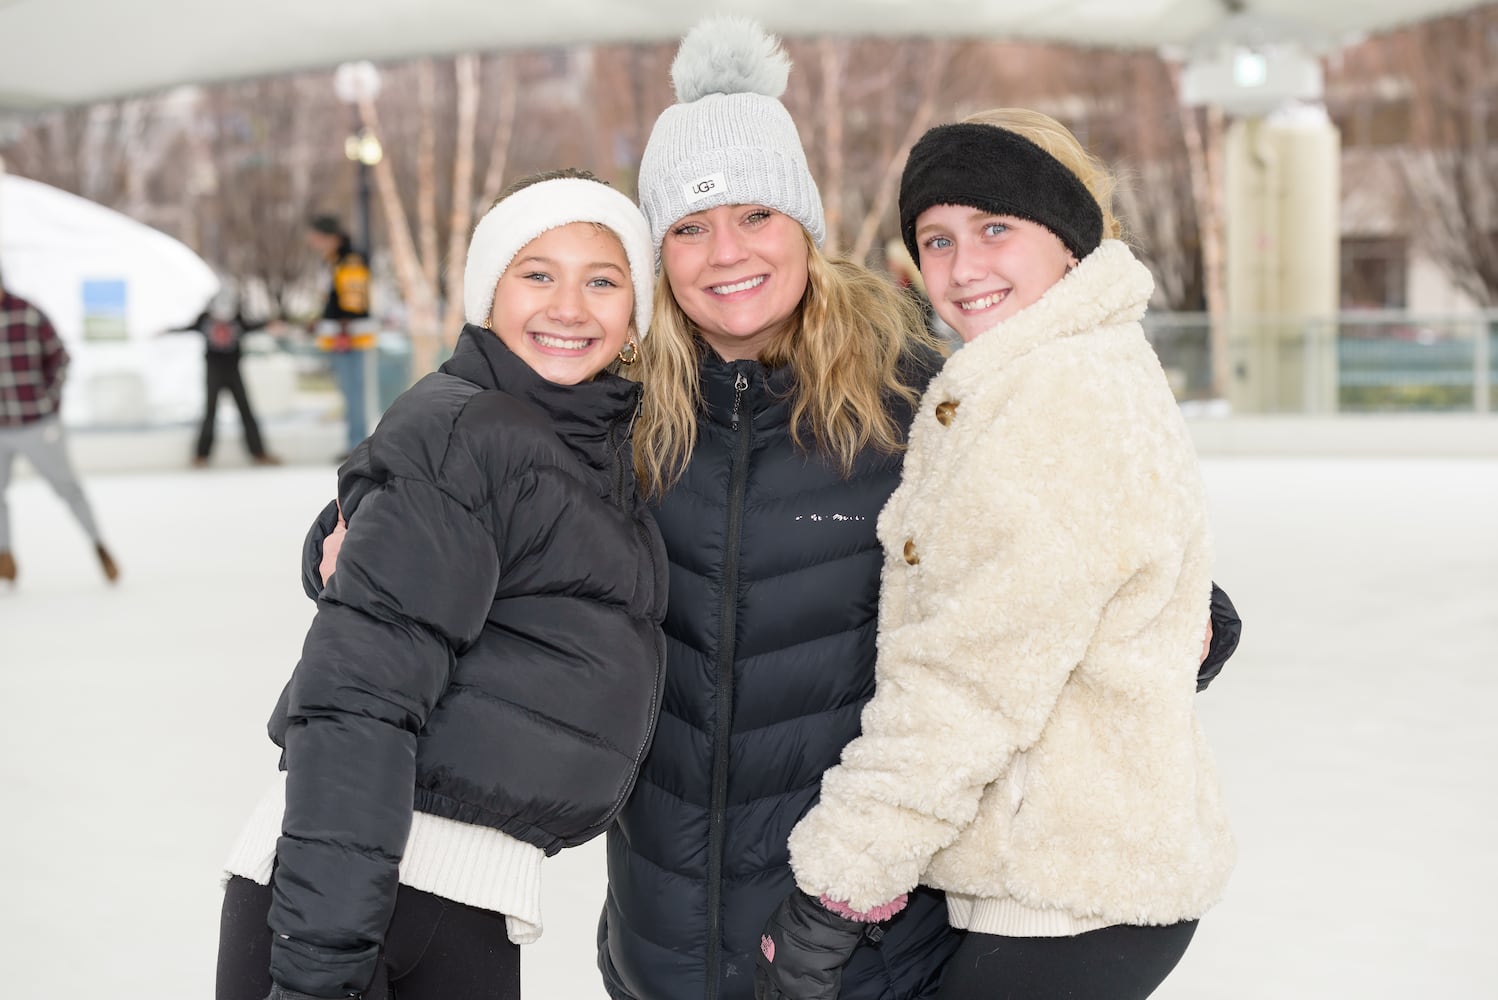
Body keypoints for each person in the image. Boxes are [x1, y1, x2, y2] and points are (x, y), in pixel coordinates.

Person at [593, 19, 1241, 1000]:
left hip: (862, 944)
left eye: (756, 215)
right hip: (665, 936)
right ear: (658, 249)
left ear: (804, 225)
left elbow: (1063, 546)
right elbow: (474, 473)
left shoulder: (920, 396)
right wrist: (348, 525)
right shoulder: (617, 407)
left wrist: (1182, 619)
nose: (725, 251)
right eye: (688, 225)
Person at [754, 110, 1237, 1000]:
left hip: (1065, 896)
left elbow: (968, 683)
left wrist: (839, 889)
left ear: (1067, 239)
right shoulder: (1056, 366)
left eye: (996, 228)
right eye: (936, 239)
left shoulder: (1050, 397)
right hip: (1080, 877)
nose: (963, 267)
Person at [216, 169, 668, 1000]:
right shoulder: (471, 430)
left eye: (602, 281)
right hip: (352, 905)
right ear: (486, 294)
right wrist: (322, 968)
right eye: (537, 274)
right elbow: (357, 702)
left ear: (635, 316)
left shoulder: (581, 449)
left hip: (464, 902)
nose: (569, 307)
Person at [0, 271, 119, 586]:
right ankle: (4, 553)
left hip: (36, 423)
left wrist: (49, 401)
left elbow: (60, 358)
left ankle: (99, 545)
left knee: (68, 488)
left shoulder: (28, 313)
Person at [177, 286, 282, 467]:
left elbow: (252, 325)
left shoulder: (238, 319)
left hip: (234, 371)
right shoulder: (204, 320)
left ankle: (259, 453)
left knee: (246, 411)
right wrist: (166, 331)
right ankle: (201, 455)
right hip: (213, 372)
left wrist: (269, 324)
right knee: (210, 412)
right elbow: (187, 327)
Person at [305, 214, 375, 459]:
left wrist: (342, 331)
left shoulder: (349, 261)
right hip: (339, 337)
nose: (313, 242)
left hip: (349, 339)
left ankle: (358, 445)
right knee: (348, 392)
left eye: (317, 237)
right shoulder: (334, 260)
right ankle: (354, 442)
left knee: (353, 391)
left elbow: (352, 302)